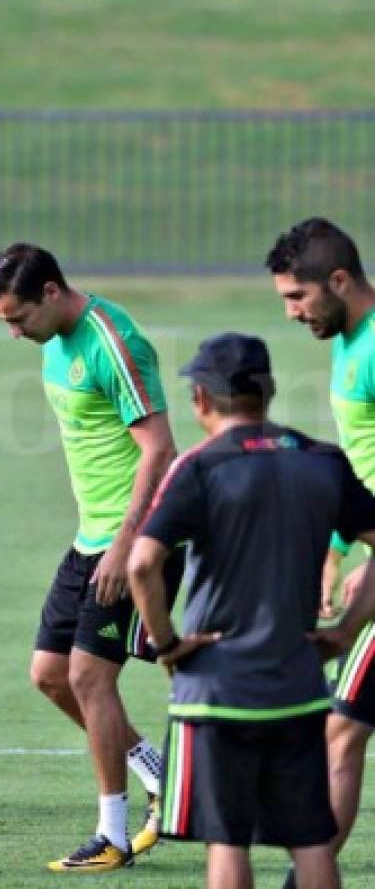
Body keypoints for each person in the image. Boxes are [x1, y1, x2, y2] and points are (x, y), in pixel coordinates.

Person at [129, 332, 375, 889]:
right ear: (269, 391)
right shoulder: (321, 461)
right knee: (311, 839)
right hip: (298, 684)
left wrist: (166, 644)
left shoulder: (199, 468)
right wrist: (343, 632)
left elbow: (144, 564)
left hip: (218, 692)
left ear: (201, 400)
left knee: (228, 839)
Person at [0, 243, 180, 872]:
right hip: (91, 538)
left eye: (19, 319)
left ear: (51, 291)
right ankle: (161, 775)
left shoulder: (111, 342)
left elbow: (159, 449)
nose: (15, 334)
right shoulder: (55, 343)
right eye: (4, 323)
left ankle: (113, 834)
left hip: (133, 541)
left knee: (91, 677)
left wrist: (126, 548)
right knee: (49, 673)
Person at [267, 217, 375, 887]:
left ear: (337, 280)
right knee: (343, 729)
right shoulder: (350, 341)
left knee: (340, 729)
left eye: (296, 297)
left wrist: (346, 622)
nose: (290, 313)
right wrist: (336, 543)